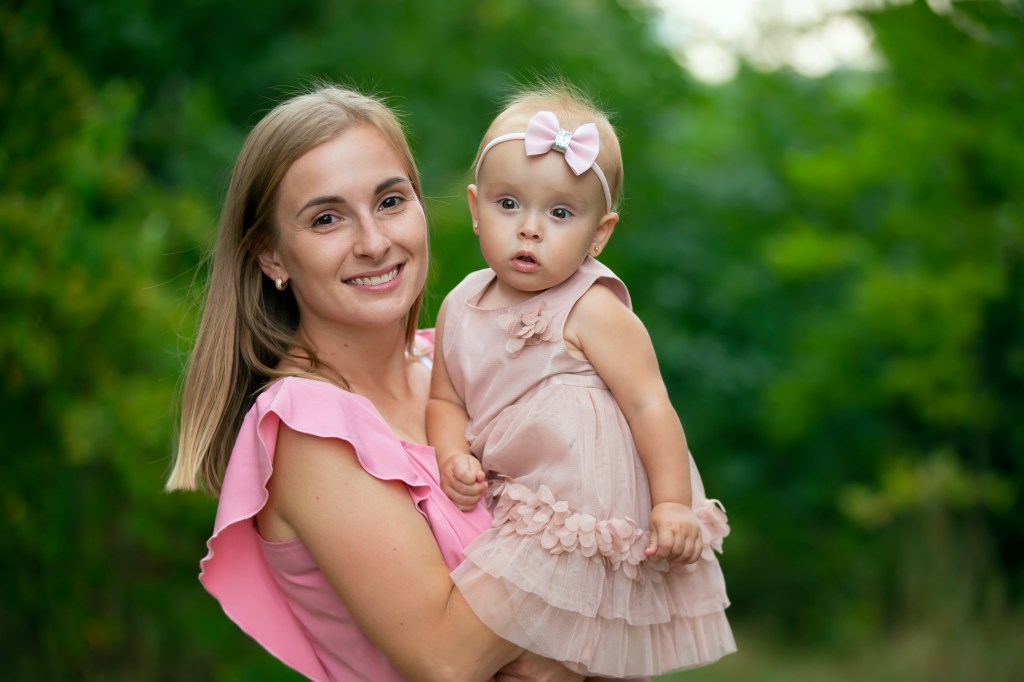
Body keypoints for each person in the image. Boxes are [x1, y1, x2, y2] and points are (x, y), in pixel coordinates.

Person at [166, 82, 585, 682]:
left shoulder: (461, 359)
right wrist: (592, 539)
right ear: (271, 256)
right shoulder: (307, 426)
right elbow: (448, 657)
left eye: (390, 201)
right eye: (327, 218)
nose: (374, 242)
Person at [426, 81, 737, 678]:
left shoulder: (593, 307)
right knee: (529, 663)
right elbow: (445, 398)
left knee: (572, 658)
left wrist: (672, 503)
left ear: (600, 233)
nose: (530, 229)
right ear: (474, 208)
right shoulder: (459, 303)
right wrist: (450, 454)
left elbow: (650, 406)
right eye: (508, 204)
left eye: (560, 213)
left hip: (584, 516)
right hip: (521, 504)